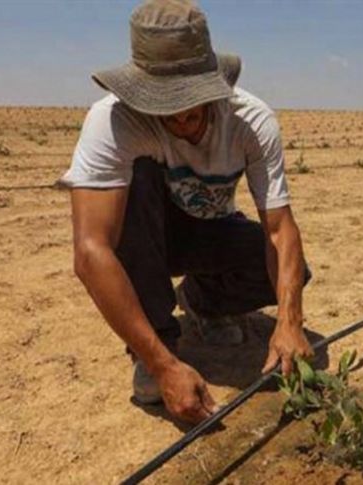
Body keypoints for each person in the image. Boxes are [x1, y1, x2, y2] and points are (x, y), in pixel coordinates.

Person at [58, 0, 313, 424]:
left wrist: (290, 321)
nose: (179, 115)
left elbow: (280, 230)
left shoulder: (251, 120)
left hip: (208, 230)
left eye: (190, 99)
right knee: (136, 181)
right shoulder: (113, 122)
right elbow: (91, 251)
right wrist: (162, 366)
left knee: (293, 274)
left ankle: (203, 304)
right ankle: (155, 343)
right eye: (163, 102)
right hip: (142, 236)